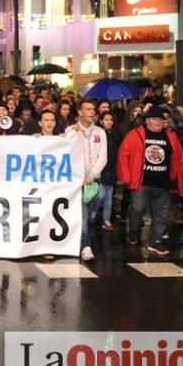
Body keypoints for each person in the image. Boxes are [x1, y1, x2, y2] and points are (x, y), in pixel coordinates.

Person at [117, 105, 183, 255]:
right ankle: (133, 232)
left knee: (161, 214)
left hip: (163, 183)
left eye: (160, 120)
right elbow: (123, 154)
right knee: (136, 210)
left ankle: (155, 241)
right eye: (154, 119)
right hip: (141, 182)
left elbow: (180, 159)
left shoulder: (171, 136)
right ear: (147, 120)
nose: (157, 122)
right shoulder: (135, 134)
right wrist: (126, 177)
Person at [67, 101, 108, 262]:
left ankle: (85, 222)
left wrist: (91, 175)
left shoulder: (100, 132)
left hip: (93, 179)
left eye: (93, 109)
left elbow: (103, 156)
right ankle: (86, 246)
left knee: (100, 196)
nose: (92, 112)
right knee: (82, 213)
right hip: (76, 180)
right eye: (88, 109)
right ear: (80, 112)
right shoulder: (71, 130)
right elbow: (64, 152)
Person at [93, 111, 120, 231]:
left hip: (112, 169)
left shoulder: (115, 134)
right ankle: (93, 214)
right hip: (100, 169)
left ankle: (106, 220)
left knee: (108, 196)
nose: (109, 122)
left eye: (111, 120)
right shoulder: (97, 135)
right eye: (106, 119)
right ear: (101, 121)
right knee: (100, 195)